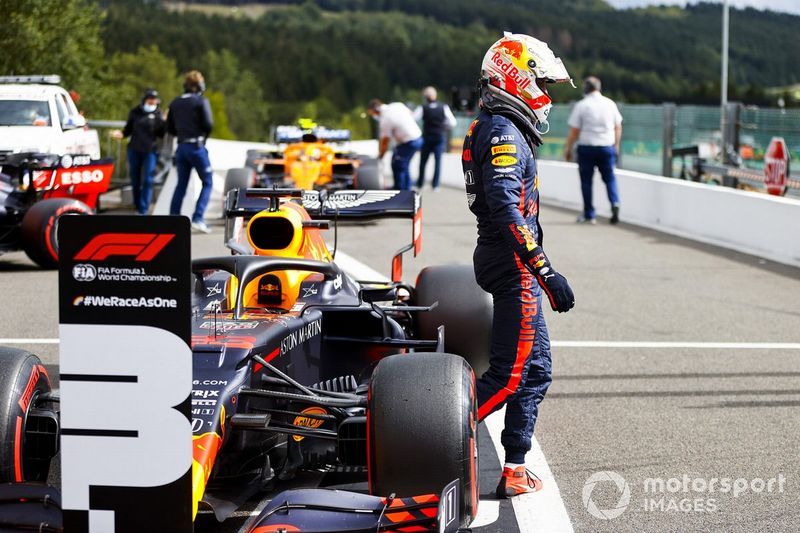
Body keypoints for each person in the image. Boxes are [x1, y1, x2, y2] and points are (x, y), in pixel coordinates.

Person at [463, 32, 575, 498]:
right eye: (541, 82)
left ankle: (513, 467)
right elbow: (508, 208)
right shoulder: (504, 133)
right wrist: (545, 270)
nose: (545, 95)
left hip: (509, 261)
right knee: (509, 374)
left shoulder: (493, 123)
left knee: (537, 368)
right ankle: (417, 434)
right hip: (513, 266)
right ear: (516, 77)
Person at [563, 76, 623, 224]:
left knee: (586, 182)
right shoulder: (610, 104)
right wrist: (616, 145)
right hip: (606, 146)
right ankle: (615, 203)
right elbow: (618, 126)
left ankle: (589, 214)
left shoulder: (582, 105)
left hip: (587, 147)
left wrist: (568, 148)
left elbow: (574, 131)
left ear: (586, 88)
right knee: (610, 178)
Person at [167, 70, 214, 233]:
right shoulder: (201, 101)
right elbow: (208, 124)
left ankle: (173, 219)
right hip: (196, 147)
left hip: (181, 147)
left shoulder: (175, 102)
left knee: (181, 184)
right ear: (199, 85)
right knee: (208, 181)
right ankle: (198, 217)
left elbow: (170, 128)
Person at [112, 89, 165, 215]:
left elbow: (161, 133)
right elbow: (128, 129)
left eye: (154, 99)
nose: (152, 101)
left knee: (148, 180)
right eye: (150, 99)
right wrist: (121, 134)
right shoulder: (135, 112)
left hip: (150, 151)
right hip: (134, 149)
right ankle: (137, 204)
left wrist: (164, 122)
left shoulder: (158, 114)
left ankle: (143, 208)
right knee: (135, 179)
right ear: (145, 99)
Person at [367, 99, 422, 190]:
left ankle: (400, 190)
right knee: (403, 165)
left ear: (375, 110)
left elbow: (384, 141)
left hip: (408, 141)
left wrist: (381, 156)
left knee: (398, 165)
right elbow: (411, 114)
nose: (374, 116)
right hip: (417, 138)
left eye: (373, 114)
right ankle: (406, 189)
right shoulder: (397, 105)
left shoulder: (385, 119)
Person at [413, 87, 457, 191]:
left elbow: (414, 118)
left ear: (426, 97)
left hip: (427, 137)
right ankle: (435, 185)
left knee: (423, 162)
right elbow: (452, 123)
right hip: (439, 137)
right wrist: (443, 126)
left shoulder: (423, 107)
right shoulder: (443, 107)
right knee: (438, 162)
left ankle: (420, 183)